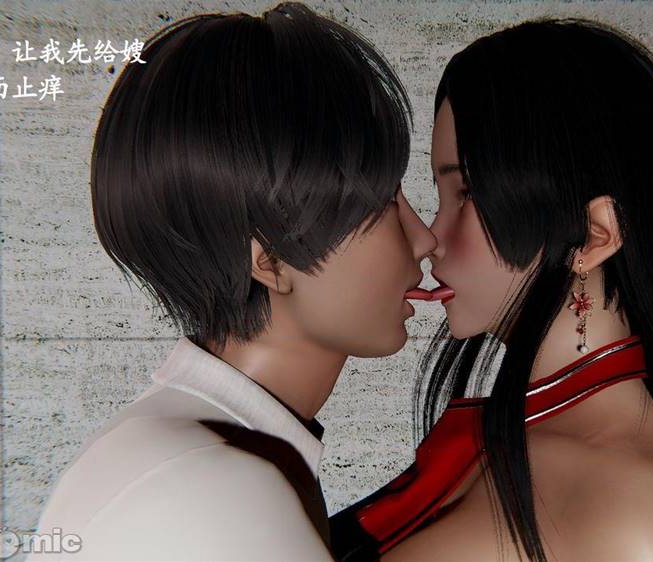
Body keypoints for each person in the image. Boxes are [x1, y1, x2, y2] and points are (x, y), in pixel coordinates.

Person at [331, 17, 653, 562]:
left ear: (594, 234)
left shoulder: (636, 514)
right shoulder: (547, 441)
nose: (429, 237)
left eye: (465, 194)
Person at [27, 4, 436, 560]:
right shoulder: (213, 490)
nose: (425, 238)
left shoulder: (200, 457)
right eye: (384, 206)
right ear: (272, 261)